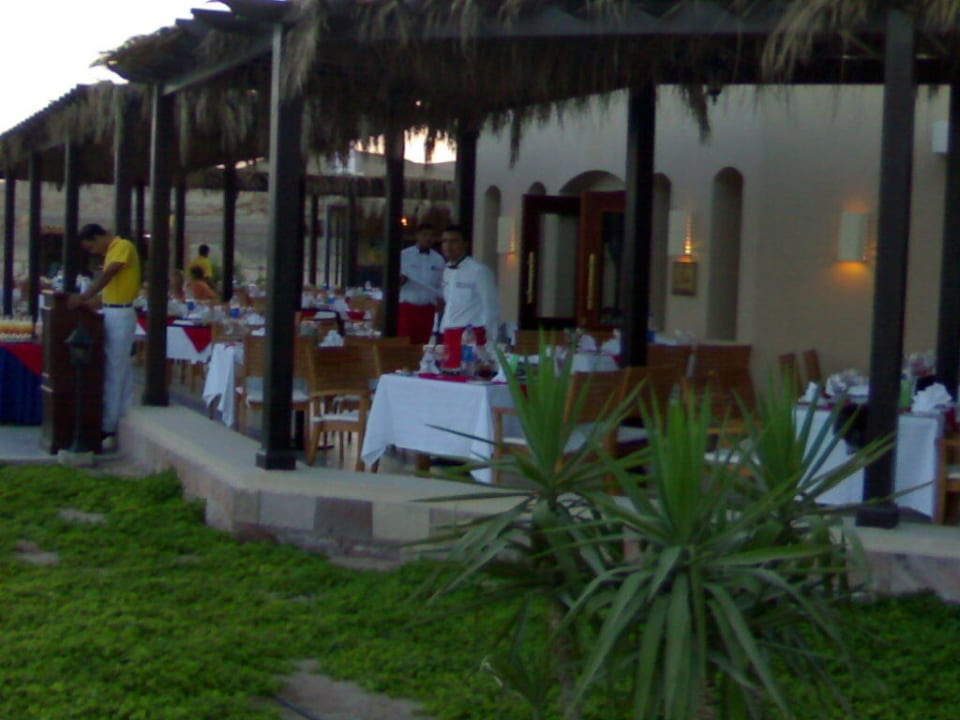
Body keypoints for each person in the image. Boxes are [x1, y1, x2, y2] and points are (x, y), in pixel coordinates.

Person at [67, 223, 141, 451]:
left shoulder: (122, 246)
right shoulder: (111, 252)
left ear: (98, 237)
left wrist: (84, 296)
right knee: (120, 367)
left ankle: (108, 424)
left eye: (92, 247)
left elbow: (109, 275)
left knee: (114, 367)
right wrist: (94, 302)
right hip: (111, 310)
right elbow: (112, 287)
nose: (94, 252)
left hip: (120, 314)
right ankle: (123, 412)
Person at [438, 225, 499, 368]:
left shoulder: (479, 271)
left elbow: (491, 307)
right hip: (449, 334)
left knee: (467, 374)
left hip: (470, 336)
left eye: (454, 241)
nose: (448, 246)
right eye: (445, 241)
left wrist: (490, 342)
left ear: (465, 244)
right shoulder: (446, 271)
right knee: (448, 374)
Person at [398, 223, 444, 344]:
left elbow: (441, 285)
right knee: (404, 343)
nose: (428, 238)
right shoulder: (404, 255)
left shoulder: (438, 259)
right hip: (407, 307)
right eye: (425, 235)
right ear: (417, 236)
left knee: (422, 344)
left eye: (431, 235)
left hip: (428, 310)